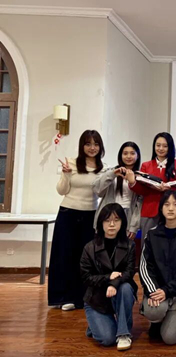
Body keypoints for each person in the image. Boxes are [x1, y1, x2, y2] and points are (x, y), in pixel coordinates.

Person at [49, 129, 106, 311]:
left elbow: (101, 194)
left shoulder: (103, 168)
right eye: (88, 144)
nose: (92, 148)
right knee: (64, 255)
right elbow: (61, 190)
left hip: (91, 215)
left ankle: (81, 298)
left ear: (100, 147)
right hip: (68, 213)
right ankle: (62, 297)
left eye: (96, 144)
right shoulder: (71, 163)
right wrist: (66, 174)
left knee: (85, 258)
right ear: (82, 146)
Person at [139, 190, 176, 345]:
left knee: (170, 338)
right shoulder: (152, 234)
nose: (171, 208)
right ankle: (158, 319)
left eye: (175, 204)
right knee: (154, 312)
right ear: (161, 208)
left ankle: (170, 319)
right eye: (166, 204)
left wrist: (168, 290)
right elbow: (145, 266)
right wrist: (153, 291)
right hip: (157, 291)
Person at [80, 204, 137, 351]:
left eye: (116, 220)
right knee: (107, 339)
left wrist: (113, 284)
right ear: (101, 223)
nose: (112, 224)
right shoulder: (90, 247)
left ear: (122, 222)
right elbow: (86, 277)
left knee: (126, 288)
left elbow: (129, 272)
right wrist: (107, 277)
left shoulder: (130, 245)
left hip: (119, 293)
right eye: (107, 220)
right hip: (97, 299)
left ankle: (124, 334)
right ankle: (95, 325)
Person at [128, 132, 176, 240]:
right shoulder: (146, 165)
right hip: (150, 209)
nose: (161, 149)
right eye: (158, 145)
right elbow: (142, 191)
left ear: (170, 147)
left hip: (170, 210)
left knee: (171, 242)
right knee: (148, 242)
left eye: (165, 146)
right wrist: (132, 182)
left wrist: (168, 188)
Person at [93, 142, 142, 239]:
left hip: (128, 215)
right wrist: (112, 174)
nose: (128, 156)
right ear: (120, 155)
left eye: (132, 153)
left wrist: (134, 226)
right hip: (109, 213)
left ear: (138, 156)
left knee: (124, 245)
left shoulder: (140, 176)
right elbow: (98, 190)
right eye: (125, 153)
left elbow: (140, 203)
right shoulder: (111, 171)